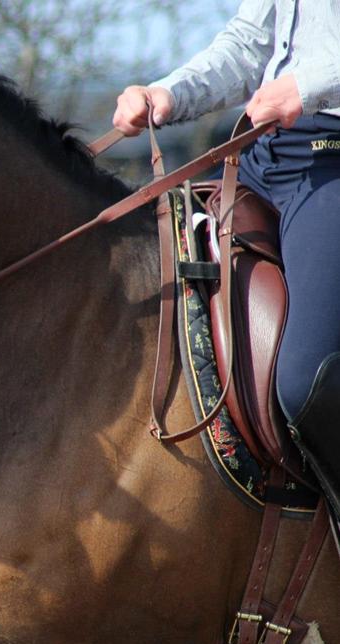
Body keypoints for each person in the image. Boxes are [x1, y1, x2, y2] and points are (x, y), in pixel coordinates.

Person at [112, 0, 340, 517]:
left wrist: (314, 83)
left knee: (308, 379)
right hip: (266, 151)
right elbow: (250, 44)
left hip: (334, 158)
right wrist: (169, 92)